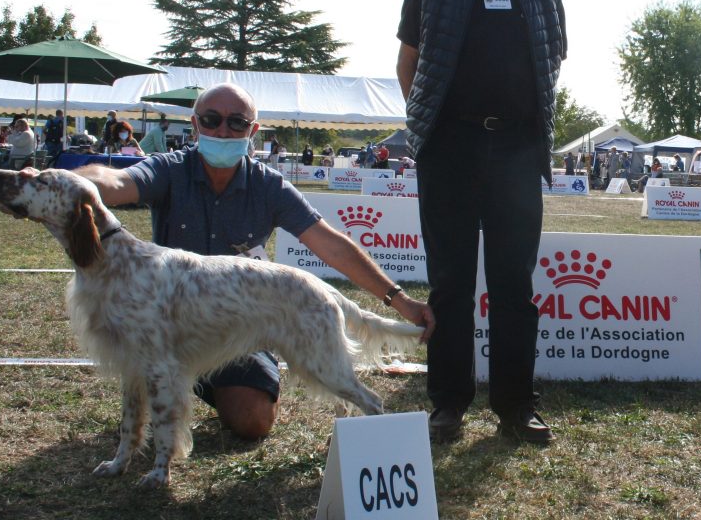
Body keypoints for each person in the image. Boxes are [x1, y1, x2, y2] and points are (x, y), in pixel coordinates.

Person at [74, 83, 434, 440]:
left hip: (240, 331)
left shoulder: (269, 186)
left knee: (253, 421)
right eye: (212, 119)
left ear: (253, 131)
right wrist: (67, 182)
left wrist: (400, 300)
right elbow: (115, 180)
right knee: (154, 365)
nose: (223, 130)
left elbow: (333, 246)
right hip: (171, 328)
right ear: (196, 124)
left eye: (237, 123)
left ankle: (203, 386)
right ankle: (174, 387)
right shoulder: (169, 170)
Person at [395, 0, 565, 445]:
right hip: (450, 149)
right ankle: (448, 402)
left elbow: (551, 64)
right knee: (449, 283)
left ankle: (516, 404)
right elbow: (410, 61)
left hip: (518, 150)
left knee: (515, 283)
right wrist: (431, 126)